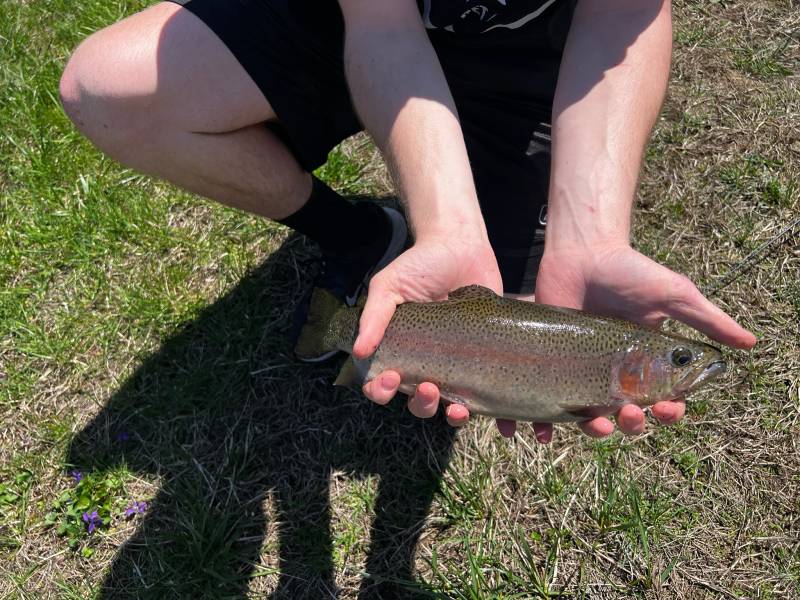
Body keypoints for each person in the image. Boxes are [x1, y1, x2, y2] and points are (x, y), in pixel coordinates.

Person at [59, 0, 756, 443]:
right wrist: (446, 226)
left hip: (537, 51)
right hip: (351, 18)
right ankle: (361, 236)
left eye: (679, 362)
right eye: (679, 359)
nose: (683, 365)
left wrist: (594, 237)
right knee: (110, 87)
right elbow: (380, 24)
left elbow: (621, 14)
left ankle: (378, 303)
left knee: (527, 283)